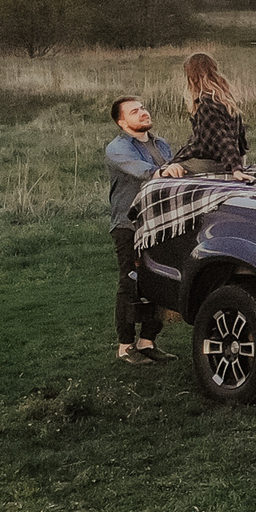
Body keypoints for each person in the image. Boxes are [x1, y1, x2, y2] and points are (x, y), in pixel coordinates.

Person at [105, 95, 173, 363]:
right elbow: (145, 172)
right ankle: (125, 346)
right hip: (129, 225)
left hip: (160, 223)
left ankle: (147, 343)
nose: (143, 113)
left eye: (143, 108)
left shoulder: (162, 144)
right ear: (122, 122)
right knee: (130, 282)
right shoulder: (117, 149)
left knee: (160, 281)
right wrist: (169, 171)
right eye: (135, 111)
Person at [169, 51, 249, 178]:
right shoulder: (226, 100)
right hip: (233, 158)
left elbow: (223, 138)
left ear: (192, 78)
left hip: (216, 162)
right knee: (174, 162)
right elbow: (237, 138)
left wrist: (235, 169)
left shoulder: (207, 104)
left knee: (168, 171)